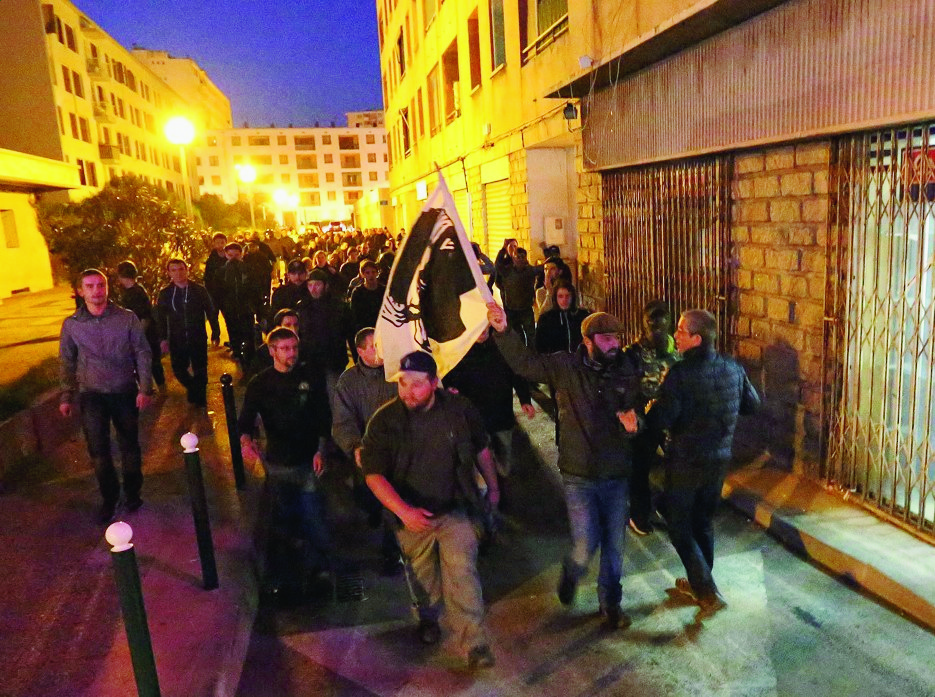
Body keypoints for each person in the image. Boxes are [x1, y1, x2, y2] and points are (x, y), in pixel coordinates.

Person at [488, 303, 641, 629]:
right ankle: (573, 570)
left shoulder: (628, 368)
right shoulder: (565, 367)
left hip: (616, 473)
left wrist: (635, 422)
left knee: (615, 546)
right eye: (605, 339)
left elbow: (639, 408)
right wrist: (503, 332)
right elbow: (525, 363)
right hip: (579, 475)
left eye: (615, 338)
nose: (613, 344)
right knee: (586, 545)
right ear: (587, 341)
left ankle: (610, 603)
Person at [361, 351, 499, 669]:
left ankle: (474, 641)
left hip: (455, 509)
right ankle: (427, 618)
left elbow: (481, 449)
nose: (408, 390)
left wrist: (493, 488)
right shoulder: (385, 421)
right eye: (403, 383)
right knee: (422, 578)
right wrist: (404, 511)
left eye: (417, 384)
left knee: (462, 573)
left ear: (435, 383)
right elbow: (373, 474)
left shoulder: (460, 410)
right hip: (410, 517)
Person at [647, 309, 759, 617]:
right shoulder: (733, 367)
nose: (676, 335)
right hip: (718, 460)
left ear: (697, 339)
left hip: (685, 462)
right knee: (703, 522)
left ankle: (707, 592)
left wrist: (651, 408)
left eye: (682, 331)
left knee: (679, 526)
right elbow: (752, 405)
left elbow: (663, 419)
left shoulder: (680, 374)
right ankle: (701, 582)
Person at [238, 327, 333, 600]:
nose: (291, 354)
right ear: (272, 352)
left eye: (294, 348)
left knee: (314, 516)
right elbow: (245, 420)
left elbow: (322, 417)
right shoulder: (260, 383)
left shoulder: (310, 378)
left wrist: (320, 449)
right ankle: (286, 578)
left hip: (306, 460)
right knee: (283, 521)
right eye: (285, 349)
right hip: (278, 462)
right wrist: (247, 441)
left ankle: (320, 571)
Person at [59, 269, 153, 524]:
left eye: (100, 285)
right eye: (89, 286)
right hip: (92, 394)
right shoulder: (72, 325)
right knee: (98, 450)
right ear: (81, 291)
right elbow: (67, 361)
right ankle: (109, 498)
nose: (96, 291)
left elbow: (142, 352)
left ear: (108, 288)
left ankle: (133, 493)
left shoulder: (126, 319)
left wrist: (145, 388)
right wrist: (66, 396)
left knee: (129, 445)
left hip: (123, 390)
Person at [332, 328, 401, 574]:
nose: (379, 350)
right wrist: (354, 445)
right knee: (369, 499)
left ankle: (391, 554)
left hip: (395, 452)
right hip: (367, 453)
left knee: (391, 505)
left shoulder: (396, 373)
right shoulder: (348, 382)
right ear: (360, 351)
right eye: (373, 346)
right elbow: (343, 421)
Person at [443, 325, 535, 483]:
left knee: (504, 457)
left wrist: (524, 399)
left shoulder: (501, 346)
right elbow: (449, 373)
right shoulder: (461, 351)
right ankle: (491, 485)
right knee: (482, 455)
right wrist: (448, 388)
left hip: (501, 412)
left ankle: (501, 480)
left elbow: (516, 373)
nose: (481, 331)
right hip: (476, 415)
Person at [626, 300, 679, 536]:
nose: (657, 330)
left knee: (676, 468)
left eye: (662, 324)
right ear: (644, 324)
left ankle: (667, 507)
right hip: (643, 421)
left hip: (668, 421)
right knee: (640, 469)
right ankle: (639, 514)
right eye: (652, 324)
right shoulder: (633, 354)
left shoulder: (675, 352)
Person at [155, 259, 220, 406]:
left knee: (200, 368)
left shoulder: (199, 290)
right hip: (177, 337)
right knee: (178, 368)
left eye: (181, 269)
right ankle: (193, 388)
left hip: (197, 335)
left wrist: (215, 331)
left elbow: (210, 311)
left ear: (187, 270)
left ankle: (200, 399)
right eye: (174, 270)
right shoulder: (166, 293)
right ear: (169, 273)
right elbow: (161, 317)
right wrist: (163, 338)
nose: (178, 273)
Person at [115, 260, 165, 390]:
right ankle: (155, 387)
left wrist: (137, 335)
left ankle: (151, 388)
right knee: (150, 362)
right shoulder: (135, 290)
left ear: (120, 276)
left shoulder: (134, 292)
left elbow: (144, 316)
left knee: (147, 362)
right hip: (145, 332)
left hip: (143, 333)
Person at [495, 246, 538, 346]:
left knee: (531, 336)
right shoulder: (507, 271)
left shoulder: (530, 271)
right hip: (511, 310)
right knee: (516, 337)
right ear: (513, 258)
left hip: (526, 309)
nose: (520, 259)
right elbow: (497, 266)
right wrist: (503, 250)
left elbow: (543, 269)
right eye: (518, 257)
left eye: (523, 257)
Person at [221, 242, 256, 365]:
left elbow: (254, 288)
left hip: (245, 306)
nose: (233, 258)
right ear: (226, 255)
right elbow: (217, 290)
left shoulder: (247, 269)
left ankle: (250, 355)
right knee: (233, 329)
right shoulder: (222, 271)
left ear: (241, 255)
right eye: (230, 255)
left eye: (236, 255)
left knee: (248, 330)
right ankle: (236, 351)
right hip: (230, 307)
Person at [535, 281, 591, 355]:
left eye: (567, 296)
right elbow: (539, 346)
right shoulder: (546, 319)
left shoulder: (582, 316)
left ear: (572, 297)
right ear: (555, 297)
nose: (564, 300)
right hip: (556, 362)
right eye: (560, 296)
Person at [251, 308, 299, 374]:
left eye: (295, 325)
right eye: (287, 325)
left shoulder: (304, 347)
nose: (293, 329)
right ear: (278, 327)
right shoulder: (263, 352)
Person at [349, 260, 384, 334]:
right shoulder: (358, 292)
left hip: (381, 328)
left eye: (373, 272)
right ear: (363, 274)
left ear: (377, 273)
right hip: (364, 329)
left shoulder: (383, 290)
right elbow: (354, 315)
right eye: (367, 273)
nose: (371, 275)